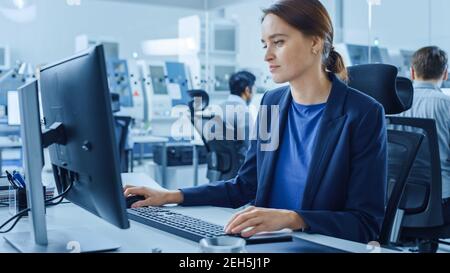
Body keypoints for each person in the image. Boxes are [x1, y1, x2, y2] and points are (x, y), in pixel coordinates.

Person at [124, 0, 387, 243]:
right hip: (266, 244)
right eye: (265, 44)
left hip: (314, 246)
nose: (267, 56)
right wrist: (172, 196)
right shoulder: (272, 103)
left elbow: (365, 224)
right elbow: (245, 186)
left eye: (279, 42)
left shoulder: (363, 114)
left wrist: (295, 219)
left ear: (315, 43)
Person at [396, 46, 450, 223]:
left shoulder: (395, 103)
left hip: (395, 199)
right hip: (441, 201)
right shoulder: (446, 105)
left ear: (412, 72)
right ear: (445, 74)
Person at [220, 70, 257, 148]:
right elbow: (250, 147)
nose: (254, 93)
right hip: (241, 159)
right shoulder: (243, 113)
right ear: (247, 90)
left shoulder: (219, 108)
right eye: (254, 89)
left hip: (222, 159)